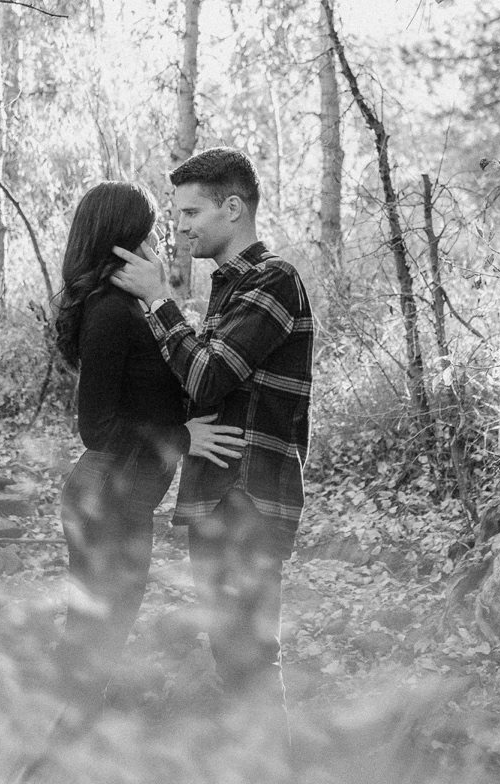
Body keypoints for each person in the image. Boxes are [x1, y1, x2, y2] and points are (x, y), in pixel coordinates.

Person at [110, 147, 313, 724]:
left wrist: (158, 299)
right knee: (233, 661)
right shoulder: (228, 290)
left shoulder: (274, 281)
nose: (179, 228)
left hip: (247, 500)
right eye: (177, 216)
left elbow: (206, 377)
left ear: (232, 208)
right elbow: (198, 386)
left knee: (248, 662)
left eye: (191, 213)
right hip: (219, 499)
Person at [51, 181, 245, 720]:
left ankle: (71, 733)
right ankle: (64, 743)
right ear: (121, 240)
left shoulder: (134, 308)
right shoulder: (111, 312)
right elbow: (96, 427)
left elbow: (160, 391)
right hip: (105, 500)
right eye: (149, 229)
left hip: (122, 499)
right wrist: (183, 438)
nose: (160, 238)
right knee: (98, 629)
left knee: (100, 627)